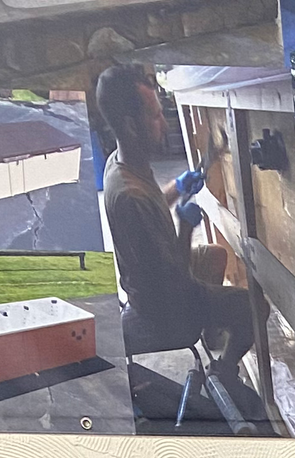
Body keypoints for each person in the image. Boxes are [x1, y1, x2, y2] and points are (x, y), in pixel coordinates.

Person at [96, 61, 256, 402]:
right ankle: (225, 370)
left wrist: (178, 187)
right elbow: (176, 281)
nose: (163, 122)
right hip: (163, 309)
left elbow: (153, 202)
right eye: (154, 116)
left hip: (151, 285)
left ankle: (213, 329)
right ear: (130, 124)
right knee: (254, 306)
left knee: (214, 255)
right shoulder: (130, 197)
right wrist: (186, 226)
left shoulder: (120, 163)